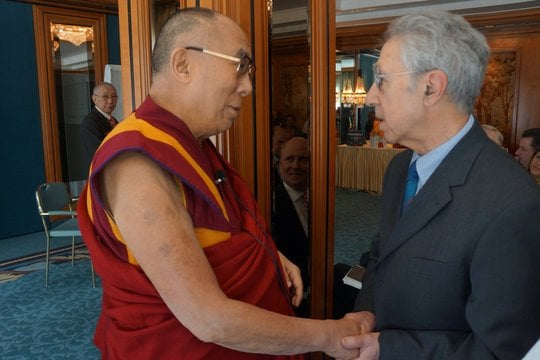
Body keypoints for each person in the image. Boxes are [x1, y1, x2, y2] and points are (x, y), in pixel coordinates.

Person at [77, 8, 363, 360]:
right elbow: (207, 318)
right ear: (183, 64)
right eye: (239, 66)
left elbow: (224, 228)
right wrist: (331, 336)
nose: (247, 87)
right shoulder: (137, 162)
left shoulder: (189, 144)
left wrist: (271, 255)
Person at [340, 10, 540, 360]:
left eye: (381, 79)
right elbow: (381, 255)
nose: (371, 96)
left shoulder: (514, 204)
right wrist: (367, 314)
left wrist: (388, 349)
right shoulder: (399, 167)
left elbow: (498, 351)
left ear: (432, 87)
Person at [272, 137, 310, 316]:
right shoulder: (270, 203)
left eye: (303, 159)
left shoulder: (321, 195)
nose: (296, 165)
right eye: (289, 159)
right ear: (279, 165)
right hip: (291, 296)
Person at [80, 82, 119, 167]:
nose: (110, 101)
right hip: (100, 172)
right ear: (94, 99)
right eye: (105, 96)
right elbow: (100, 152)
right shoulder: (90, 122)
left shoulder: (113, 120)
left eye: (114, 96)